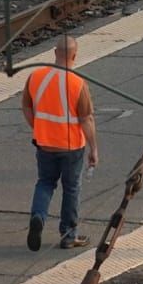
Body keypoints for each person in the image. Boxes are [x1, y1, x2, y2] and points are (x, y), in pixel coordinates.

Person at [21, 34, 98, 251]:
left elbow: (26, 106)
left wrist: (37, 127)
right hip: (71, 146)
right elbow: (86, 119)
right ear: (74, 55)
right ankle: (68, 235)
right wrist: (94, 148)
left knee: (45, 183)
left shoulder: (35, 77)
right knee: (71, 188)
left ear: (55, 53)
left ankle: (38, 216)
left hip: (44, 143)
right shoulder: (77, 83)